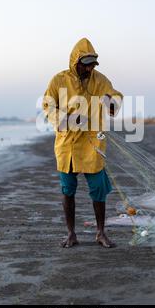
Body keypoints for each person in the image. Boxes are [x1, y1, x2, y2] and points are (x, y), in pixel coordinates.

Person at [43, 38, 123, 248]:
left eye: (92, 64)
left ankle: (101, 232)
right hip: (67, 145)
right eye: (85, 64)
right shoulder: (58, 80)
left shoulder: (100, 80)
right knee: (67, 190)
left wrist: (112, 102)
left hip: (93, 143)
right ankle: (71, 233)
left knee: (98, 189)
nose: (89, 68)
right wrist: (68, 119)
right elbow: (47, 106)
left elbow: (115, 96)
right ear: (75, 62)